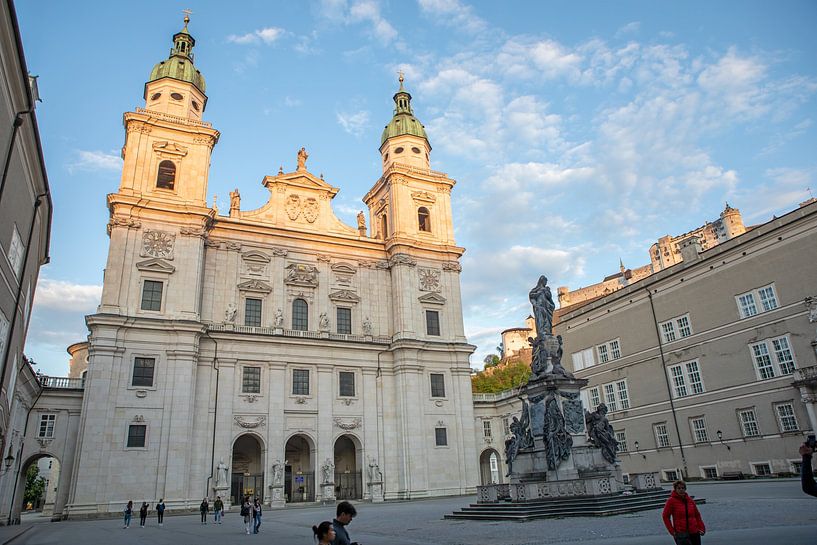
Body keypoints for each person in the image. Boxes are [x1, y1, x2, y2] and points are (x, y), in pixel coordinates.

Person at [662, 480, 706, 545]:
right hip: (681, 533)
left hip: (694, 531)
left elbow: (697, 515)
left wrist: (702, 528)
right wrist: (672, 531)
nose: (681, 490)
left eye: (683, 488)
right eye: (679, 488)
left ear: (685, 489)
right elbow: (665, 516)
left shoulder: (690, 500)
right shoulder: (671, 501)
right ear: (675, 489)